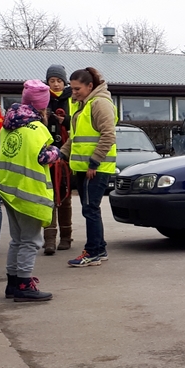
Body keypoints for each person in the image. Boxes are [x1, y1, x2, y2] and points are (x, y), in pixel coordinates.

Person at [0, 81, 59, 301]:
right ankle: (24, 284)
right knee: (31, 241)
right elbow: (43, 157)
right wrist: (56, 152)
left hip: (9, 188)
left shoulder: (7, 126)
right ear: (42, 106)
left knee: (17, 239)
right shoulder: (38, 129)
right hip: (29, 191)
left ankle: (12, 283)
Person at [60, 67, 116, 268]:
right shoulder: (83, 105)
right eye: (72, 88)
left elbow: (108, 135)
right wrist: (61, 154)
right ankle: (99, 249)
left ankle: (92, 251)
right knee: (91, 209)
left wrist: (94, 162)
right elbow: (75, 139)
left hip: (95, 168)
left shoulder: (99, 104)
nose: (73, 92)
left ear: (90, 86)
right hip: (85, 167)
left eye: (77, 89)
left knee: (90, 209)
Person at [43, 64, 74, 255]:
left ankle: (66, 237)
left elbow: (79, 122)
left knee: (64, 196)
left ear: (65, 82)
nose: (55, 84)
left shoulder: (72, 99)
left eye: (59, 81)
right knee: (48, 197)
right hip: (46, 155)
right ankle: (49, 240)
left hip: (65, 155)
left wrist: (66, 121)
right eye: (52, 81)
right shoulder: (42, 98)